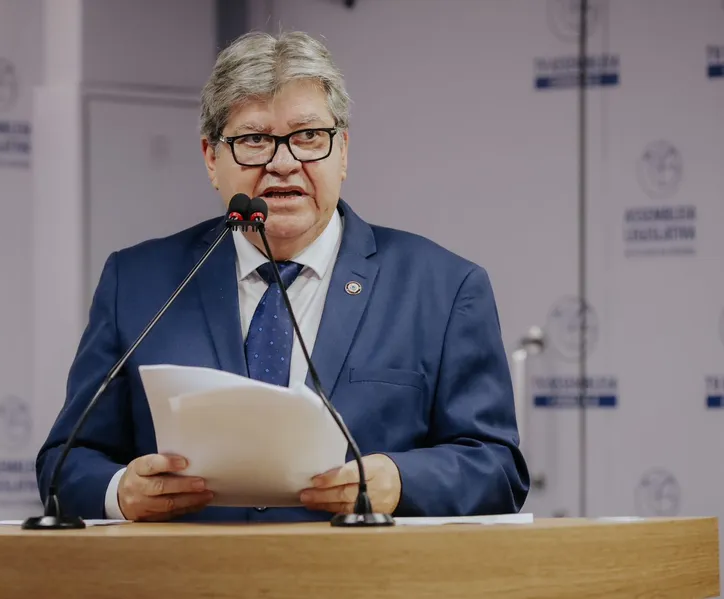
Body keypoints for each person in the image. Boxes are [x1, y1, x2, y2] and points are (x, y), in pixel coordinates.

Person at [36, 31, 529, 522]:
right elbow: (66, 462)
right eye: (254, 140)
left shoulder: (442, 288)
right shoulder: (138, 283)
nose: (284, 163)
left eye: (308, 137)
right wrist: (120, 491)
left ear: (343, 151)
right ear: (211, 158)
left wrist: (401, 482)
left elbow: (498, 468)